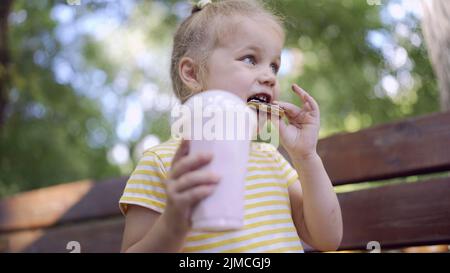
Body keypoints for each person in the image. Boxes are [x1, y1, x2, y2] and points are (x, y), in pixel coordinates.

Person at [119, 0, 343, 253]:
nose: (269, 76)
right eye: (250, 59)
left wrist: (305, 156)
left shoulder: (272, 160)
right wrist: (174, 220)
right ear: (192, 74)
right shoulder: (160, 163)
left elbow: (327, 238)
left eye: (274, 66)